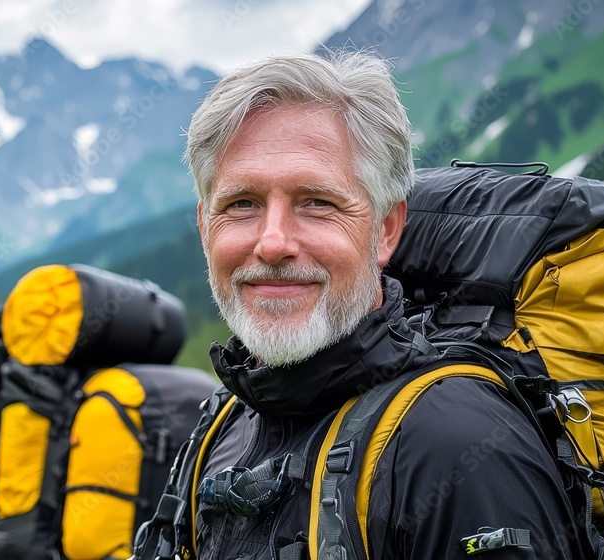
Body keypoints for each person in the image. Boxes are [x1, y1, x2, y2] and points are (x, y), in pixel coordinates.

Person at [181, 51, 580, 559]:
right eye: (241, 204)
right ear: (204, 226)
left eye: (317, 203)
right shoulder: (223, 425)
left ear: (386, 230)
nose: (273, 242)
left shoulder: (457, 444)